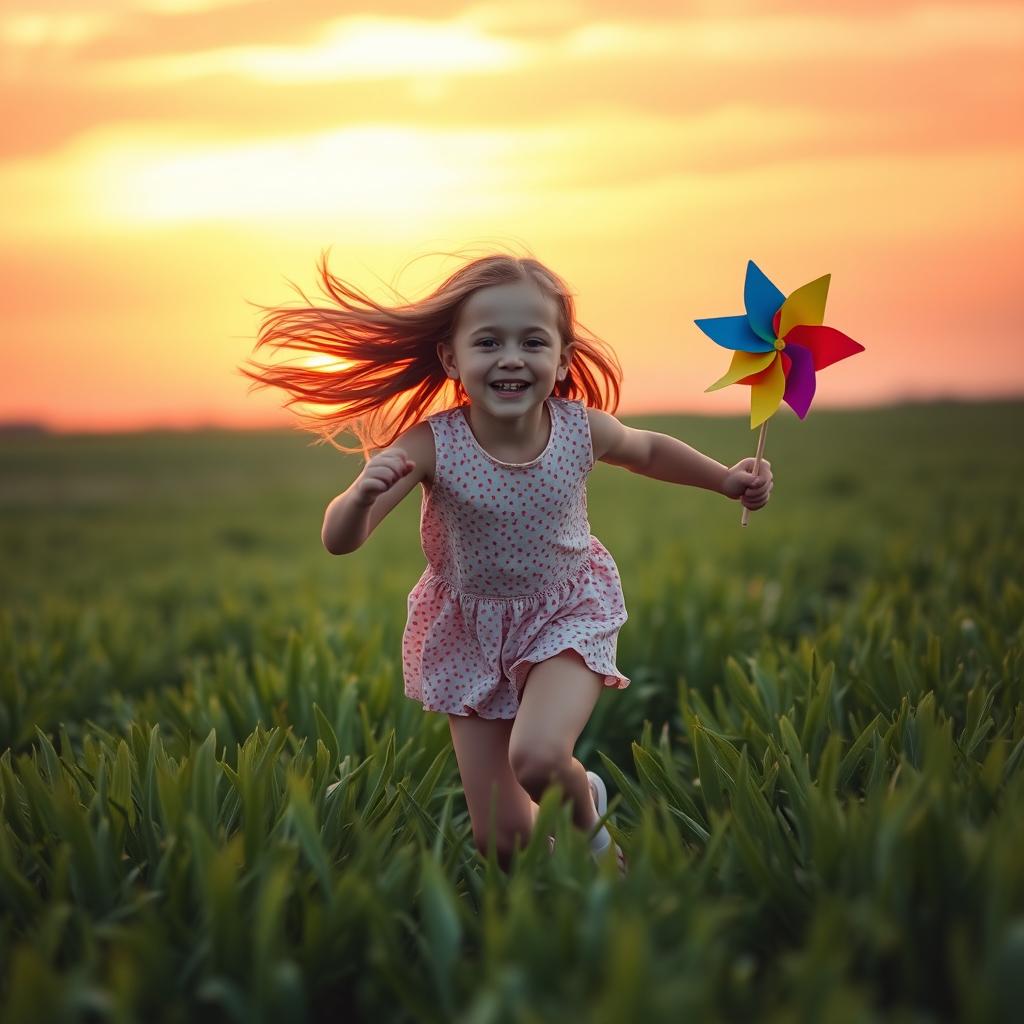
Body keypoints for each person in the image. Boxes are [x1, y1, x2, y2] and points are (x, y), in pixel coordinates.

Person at [241, 248, 773, 876]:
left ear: (563, 357)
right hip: (470, 632)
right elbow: (339, 539)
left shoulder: (581, 428)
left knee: (541, 758)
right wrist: (359, 497)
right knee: (503, 843)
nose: (511, 358)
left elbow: (649, 450)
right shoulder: (432, 444)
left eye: (533, 341)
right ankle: (579, 821)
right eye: (489, 341)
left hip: (567, 611)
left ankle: (605, 857)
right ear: (451, 358)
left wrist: (725, 482)